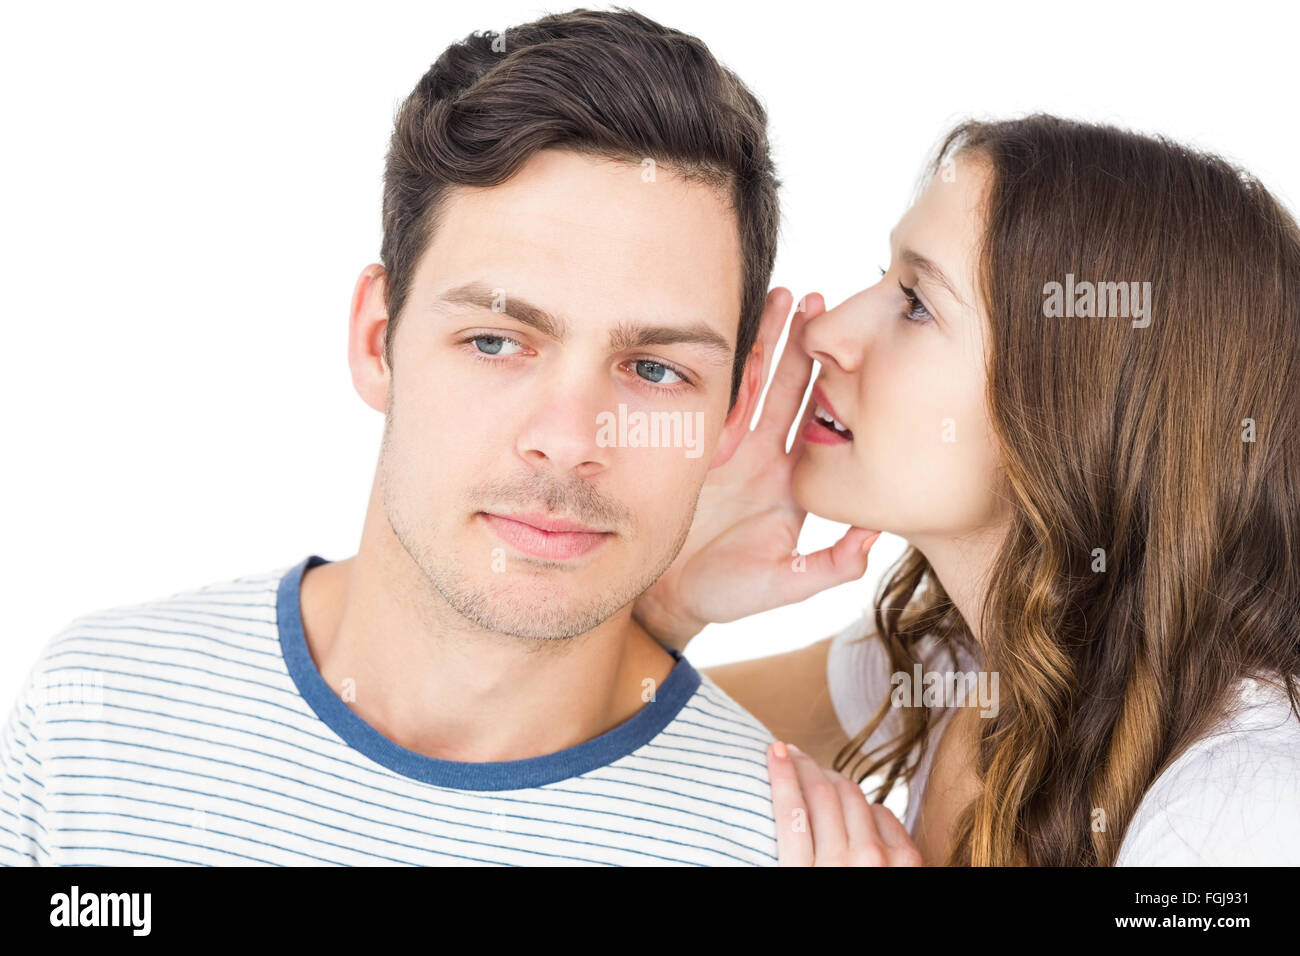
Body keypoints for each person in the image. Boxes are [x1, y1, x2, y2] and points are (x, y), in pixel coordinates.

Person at [0, 8, 806, 866]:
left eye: (654, 369)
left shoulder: (779, 844)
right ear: (376, 338)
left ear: (734, 405)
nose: (570, 440)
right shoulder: (95, 718)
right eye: (494, 342)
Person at [637, 115, 1300, 866]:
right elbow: (631, 760)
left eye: (916, 302)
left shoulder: (1242, 804)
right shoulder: (958, 664)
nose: (826, 334)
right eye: (886, 277)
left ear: (1073, 412)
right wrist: (668, 606)